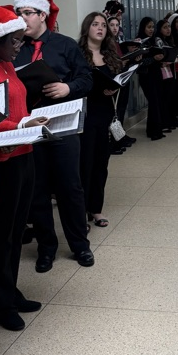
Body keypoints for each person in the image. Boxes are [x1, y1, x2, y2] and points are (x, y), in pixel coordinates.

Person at [0, 6, 49, 330]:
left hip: (23, 151)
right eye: (15, 40)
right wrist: (21, 124)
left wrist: (30, 120)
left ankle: (10, 290)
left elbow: (16, 106)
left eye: (21, 39)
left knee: (17, 231)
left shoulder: (6, 64)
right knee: (3, 234)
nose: (20, 45)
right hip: (2, 160)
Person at [13, 0, 94, 272]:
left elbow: (86, 79)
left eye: (27, 13)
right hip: (30, 128)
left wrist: (67, 88)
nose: (21, 18)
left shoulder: (65, 45)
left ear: (42, 15)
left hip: (63, 127)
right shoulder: (14, 47)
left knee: (70, 187)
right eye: (18, 13)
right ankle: (46, 248)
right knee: (37, 191)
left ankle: (80, 245)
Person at [78, 12, 122, 228]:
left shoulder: (109, 54)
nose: (100, 28)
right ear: (87, 28)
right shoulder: (77, 55)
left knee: (101, 163)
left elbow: (117, 80)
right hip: (85, 114)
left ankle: (96, 208)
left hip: (105, 113)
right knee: (84, 163)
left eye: (103, 25)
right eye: (95, 24)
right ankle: (81, 210)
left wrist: (114, 87)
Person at [135, 16, 168, 141]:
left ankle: (154, 129)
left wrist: (162, 59)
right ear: (143, 28)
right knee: (153, 101)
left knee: (157, 101)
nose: (151, 29)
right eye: (149, 27)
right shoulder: (139, 42)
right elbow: (140, 63)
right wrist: (154, 58)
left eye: (153, 27)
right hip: (146, 76)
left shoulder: (154, 41)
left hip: (157, 73)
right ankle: (155, 131)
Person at [107, 14, 135, 152]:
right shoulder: (107, 43)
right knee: (115, 112)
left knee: (121, 109)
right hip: (114, 80)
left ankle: (120, 136)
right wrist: (120, 63)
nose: (115, 28)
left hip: (122, 78)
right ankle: (113, 142)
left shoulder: (117, 41)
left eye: (117, 25)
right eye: (112, 25)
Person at [155, 17, 178, 132]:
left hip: (169, 71)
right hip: (162, 73)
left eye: (169, 27)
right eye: (165, 27)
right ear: (159, 29)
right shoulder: (158, 41)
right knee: (164, 99)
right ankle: (164, 122)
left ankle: (170, 120)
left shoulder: (168, 40)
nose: (168, 29)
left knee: (170, 97)